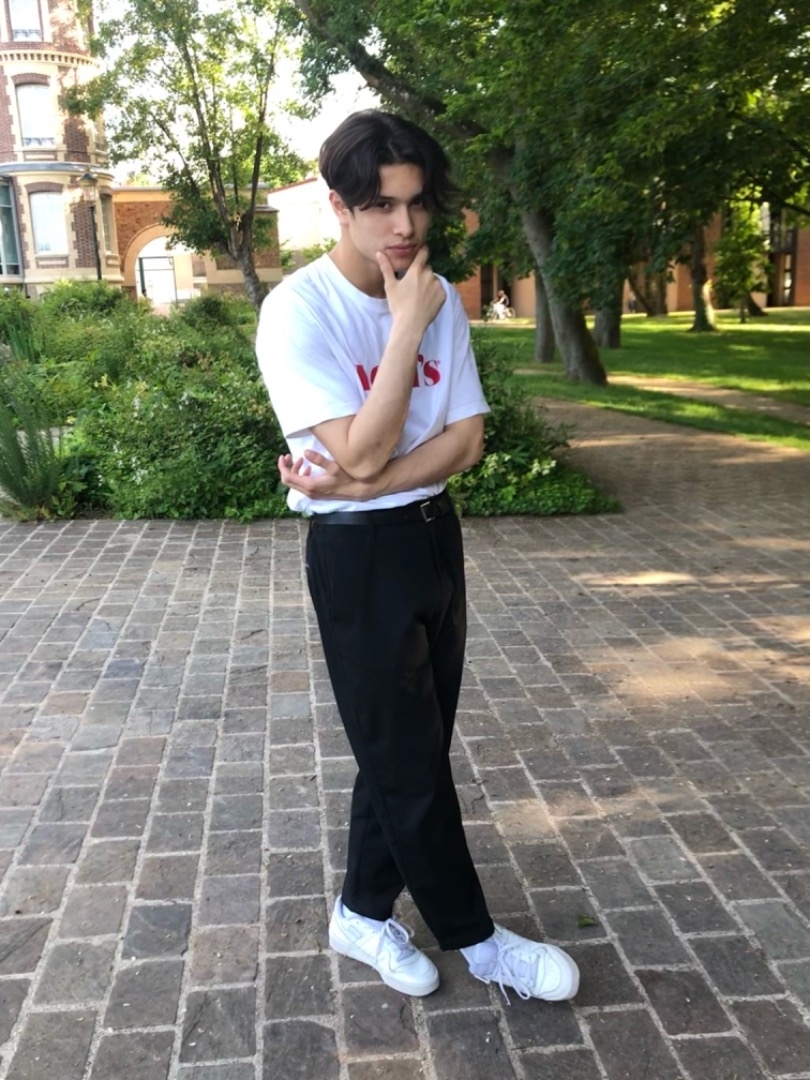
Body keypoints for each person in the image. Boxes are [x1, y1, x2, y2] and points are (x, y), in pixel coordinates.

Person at [255, 110, 579, 1004]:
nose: (404, 225)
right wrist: (402, 329)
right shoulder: (300, 311)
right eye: (381, 206)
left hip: (434, 536)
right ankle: (478, 941)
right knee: (409, 763)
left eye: (417, 203)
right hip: (358, 559)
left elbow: (465, 441)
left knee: (407, 746)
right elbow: (357, 449)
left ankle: (361, 913)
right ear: (339, 206)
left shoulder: (437, 297)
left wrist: (367, 481)